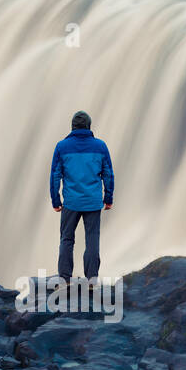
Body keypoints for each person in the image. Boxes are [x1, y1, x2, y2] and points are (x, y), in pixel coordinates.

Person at [49, 111, 114, 281]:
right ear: (89, 126)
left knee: (66, 239)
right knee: (92, 239)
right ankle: (92, 279)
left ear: (72, 127)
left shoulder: (61, 147)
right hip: (93, 202)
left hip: (70, 203)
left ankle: (64, 278)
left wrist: (56, 201)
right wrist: (108, 198)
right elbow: (108, 174)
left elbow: (55, 176)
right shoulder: (100, 146)